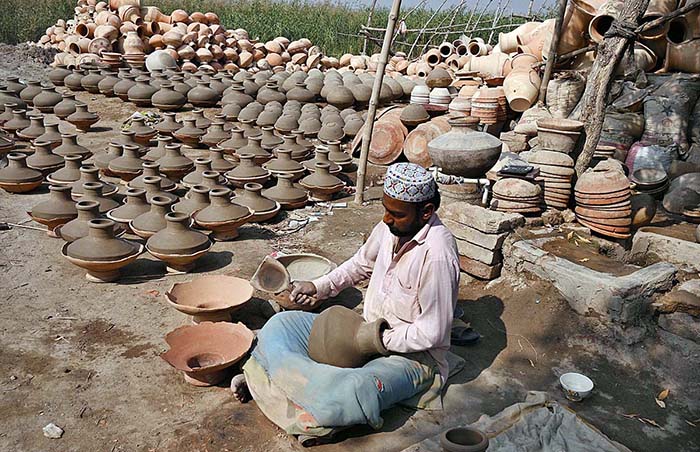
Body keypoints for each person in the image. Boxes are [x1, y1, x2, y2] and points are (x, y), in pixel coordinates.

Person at [232, 163, 461, 439]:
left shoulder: (437, 255)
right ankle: (291, 386)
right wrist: (317, 287)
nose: (387, 219)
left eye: (396, 214)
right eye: (386, 210)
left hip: (411, 358)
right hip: (362, 328)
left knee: (351, 391)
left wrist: (375, 339)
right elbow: (360, 265)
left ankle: (270, 381)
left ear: (426, 212)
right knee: (281, 324)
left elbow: (432, 332)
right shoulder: (391, 228)